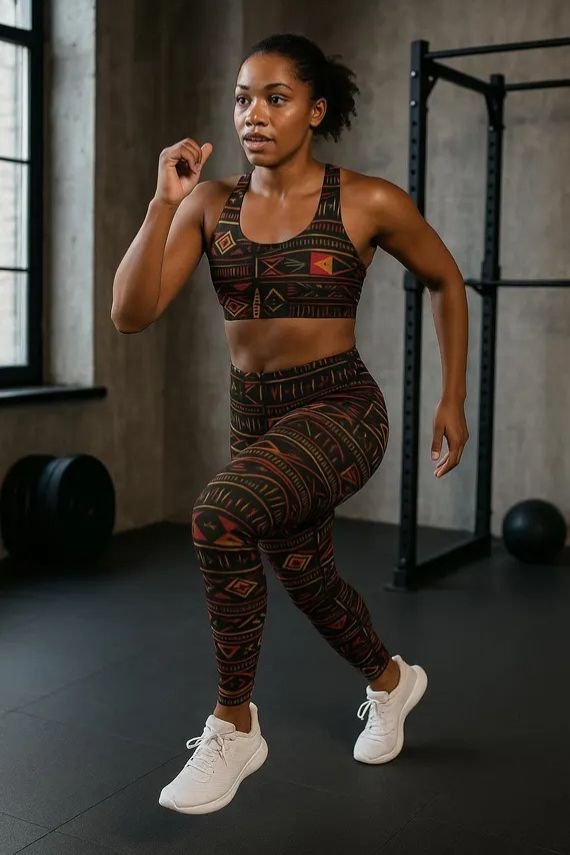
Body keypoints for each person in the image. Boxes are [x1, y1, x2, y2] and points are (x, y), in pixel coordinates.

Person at [112, 33, 469, 816]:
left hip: (341, 408)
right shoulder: (209, 204)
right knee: (307, 576)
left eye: (276, 98)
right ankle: (392, 682)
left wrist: (451, 397)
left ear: (315, 110)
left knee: (219, 514)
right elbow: (130, 313)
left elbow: (445, 278)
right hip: (256, 417)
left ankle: (234, 724)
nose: (254, 114)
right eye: (244, 98)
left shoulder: (368, 200)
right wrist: (163, 202)